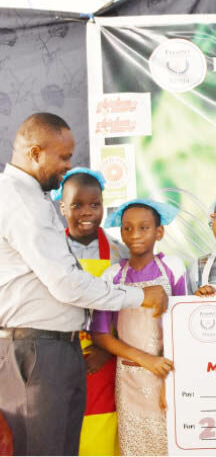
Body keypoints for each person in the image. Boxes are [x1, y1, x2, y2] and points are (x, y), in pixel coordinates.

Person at [0, 113, 167, 456]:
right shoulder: (22, 203)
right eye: (62, 157)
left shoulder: (30, 197)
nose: (68, 166)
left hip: (53, 348)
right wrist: (139, 295)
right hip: (37, 352)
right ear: (35, 153)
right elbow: (66, 284)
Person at [90, 199, 187, 456]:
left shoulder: (173, 268)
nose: (134, 235)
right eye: (127, 228)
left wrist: (172, 381)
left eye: (144, 228)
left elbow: (182, 329)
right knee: (135, 447)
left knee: (169, 443)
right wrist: (144, 359)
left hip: (167, 372)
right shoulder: (112, 277)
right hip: (129, 377)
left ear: (159, 232)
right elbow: (99, 334)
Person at [52, 167, 126, 456]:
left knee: (103, 428)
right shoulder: (49, 251)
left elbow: (128, 309)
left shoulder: (120, 253)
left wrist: (108, 349)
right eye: (77, 205)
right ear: (61, 207)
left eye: (95, 205)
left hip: (104, 356)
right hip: (60, 354)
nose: (87, 212)